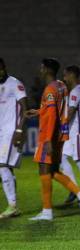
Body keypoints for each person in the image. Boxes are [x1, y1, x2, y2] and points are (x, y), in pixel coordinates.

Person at [26, 58, 80, 221]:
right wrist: (38, 111)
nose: (40, 71)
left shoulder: (49, 89)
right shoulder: (61, 86)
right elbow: (55, 109)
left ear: (47, 70)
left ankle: (47, 211)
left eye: (42, 68)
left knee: (44, 170)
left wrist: (47, 139)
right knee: (53, 170)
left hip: (49, 136)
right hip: (60, 136)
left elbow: (51, 116)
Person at [0, 58, 28, 219]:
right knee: (6, 168)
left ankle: (12, 206)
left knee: (2, 165)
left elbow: (25, 108)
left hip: (10, 131)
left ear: (4, 67)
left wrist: (19, 129)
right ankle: (13, 204)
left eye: (1, 69)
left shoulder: (14, 83)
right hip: (1, 131)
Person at [60, 65, 80, 204]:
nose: (64, 78)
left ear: (72, 75)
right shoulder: (75, 90)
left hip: (77, 132)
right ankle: (75, 190)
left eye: (65, 75)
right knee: (62, 158)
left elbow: (71, 111)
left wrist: (60, 126)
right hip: (73, 131)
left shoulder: (76, 91)